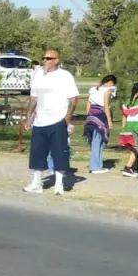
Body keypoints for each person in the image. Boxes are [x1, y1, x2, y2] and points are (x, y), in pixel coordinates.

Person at [23, 49, 78, 195]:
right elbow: (34, 98)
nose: (45, 61)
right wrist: (28, 117)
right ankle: (36, 183)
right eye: (43, 58)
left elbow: (73, 99)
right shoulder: (38, 75)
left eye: (49, 58)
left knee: (59, 153)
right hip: (40, 120)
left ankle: (59, 184)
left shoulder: (65, 76)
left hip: (57, 120)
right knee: (37, 153)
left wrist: (67, 118)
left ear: (56, 60)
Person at [83, 74, 117, 175]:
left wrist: (88, 115)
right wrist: (110, 120)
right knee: (97, 142)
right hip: (100, 116)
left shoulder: (93, 90)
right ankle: (95, 166)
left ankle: (98, 165)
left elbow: (88, 104)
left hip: (91, 116)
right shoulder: (107, 91)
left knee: (96, 142)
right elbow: (106, 105)